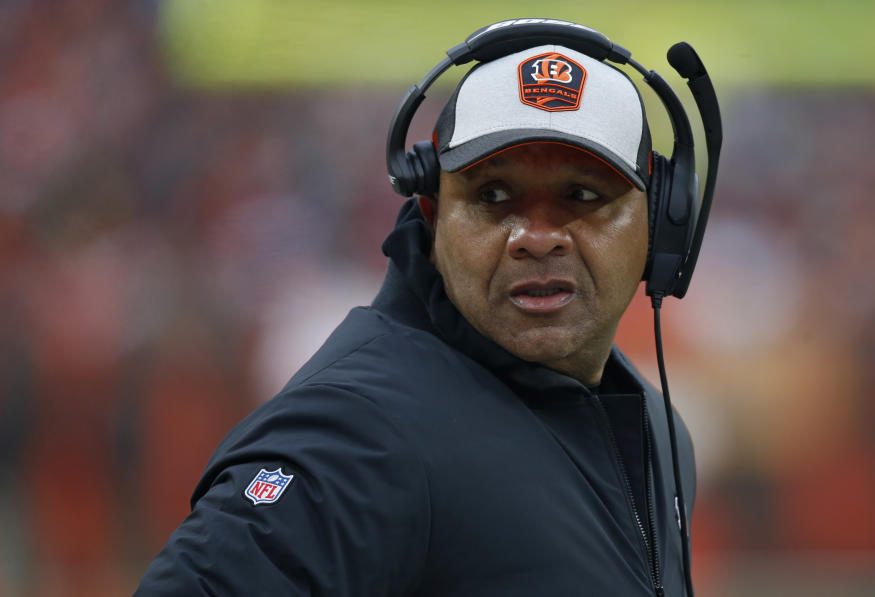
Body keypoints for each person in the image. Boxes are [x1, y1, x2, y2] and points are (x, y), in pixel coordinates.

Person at [136, 19, 705, 597]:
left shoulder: (651, 424)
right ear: (432, 215)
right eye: (493, 196)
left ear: (659, 223)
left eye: (582, 196)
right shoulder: (354, 435)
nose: (537, 236)